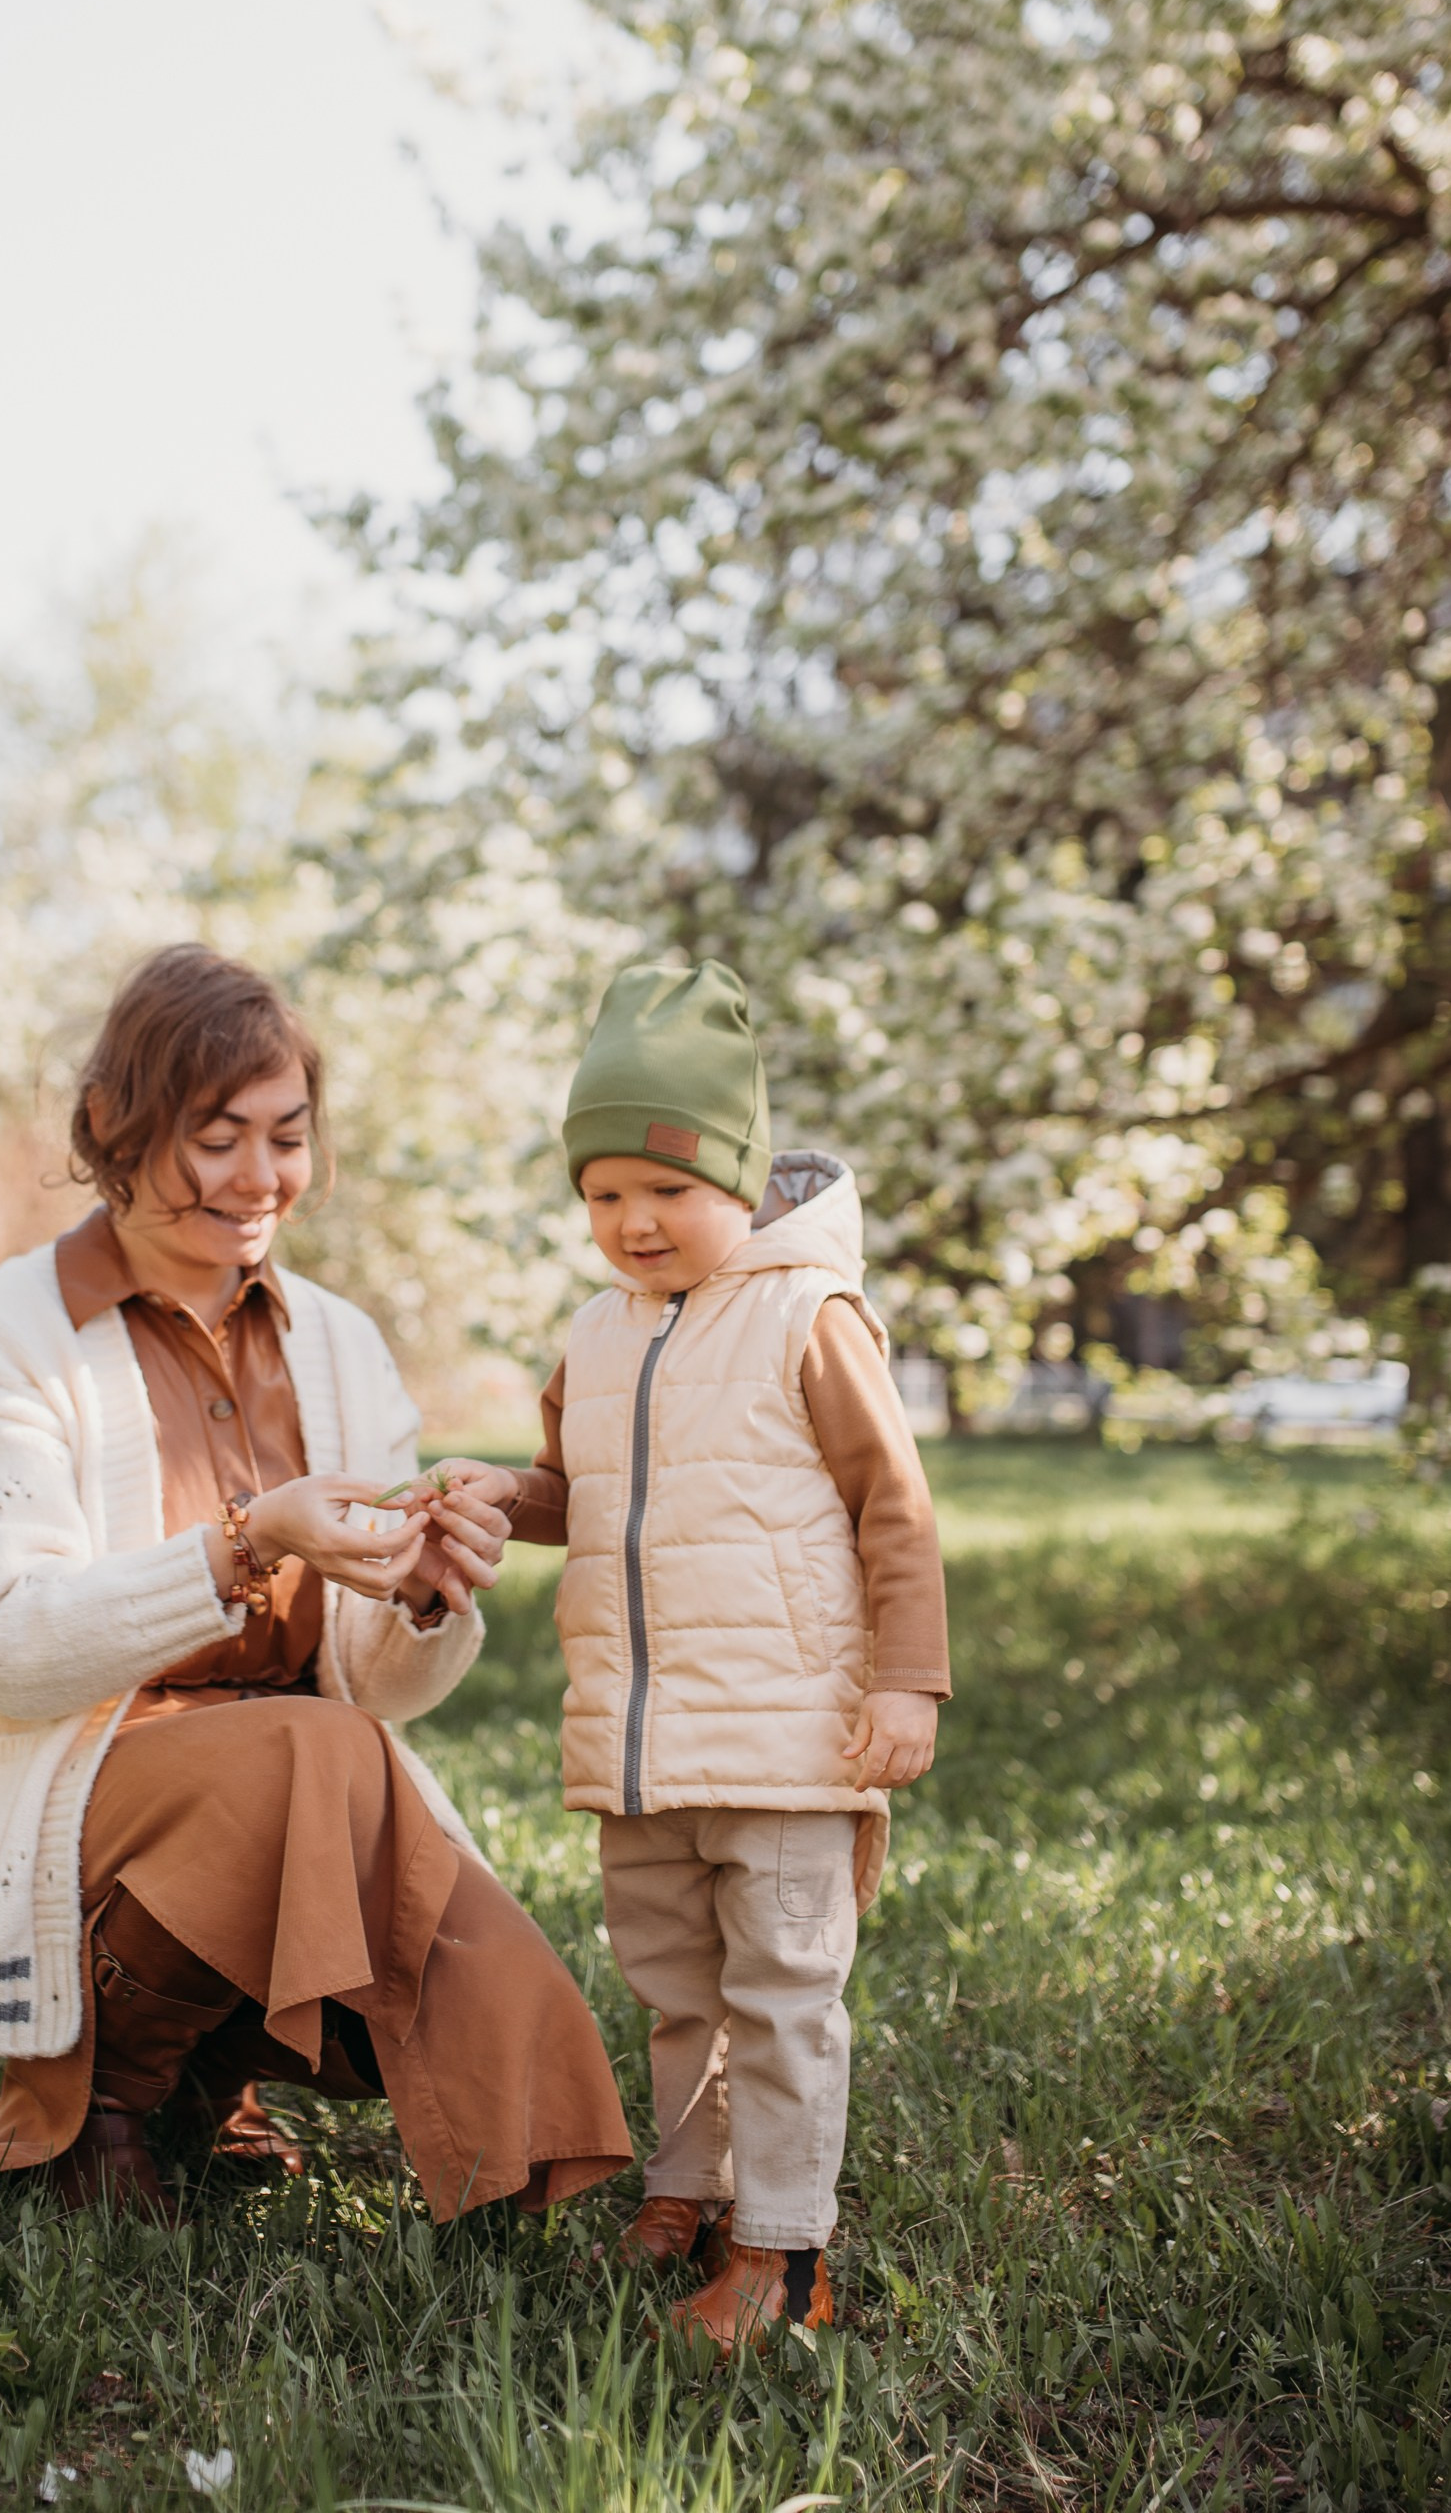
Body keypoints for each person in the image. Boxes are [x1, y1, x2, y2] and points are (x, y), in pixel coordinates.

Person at [0, 944, 630, 2222]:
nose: (259, 1178)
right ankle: (89, 2106)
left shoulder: (335, 1341)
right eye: (214, 1137)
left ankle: (515, 2160)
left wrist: (422, 1590)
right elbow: (10, 1646)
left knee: (339, 1758)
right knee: (320, 1761)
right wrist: (247, 1541)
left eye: (286, 1136)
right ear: (116, 1131)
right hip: (73, 1774)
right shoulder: (12, 1331)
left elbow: (376, 1690)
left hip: (290, 1770)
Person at [430, 960, 951, 2350]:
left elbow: (889, 1506)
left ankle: (782, 2255)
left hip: (785, 1742)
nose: (631, 1222)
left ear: (739, 1178)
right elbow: (578, 1493)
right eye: (601, 1195)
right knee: (675, 1991)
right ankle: (687, 2188)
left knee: (779, 1998)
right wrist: (501, 1492)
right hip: (645, 1748)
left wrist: (906, 1679)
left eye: (664, 1189)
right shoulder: (595, 1338)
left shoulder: (807, 1319)